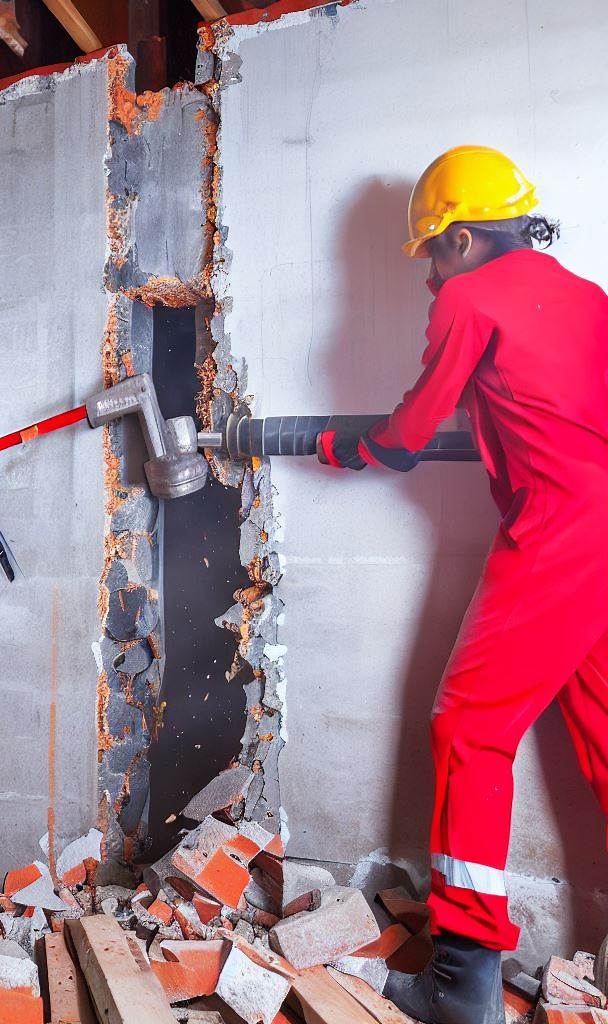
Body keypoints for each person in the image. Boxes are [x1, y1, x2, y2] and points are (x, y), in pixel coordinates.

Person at [318, 146, 608, 1024]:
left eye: (433, 254)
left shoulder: (469, 300)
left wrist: (344, 447)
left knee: (469, 729)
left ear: (467, 238)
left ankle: (464, 981)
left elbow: (409, 431)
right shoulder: (592, 297)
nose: (429, 276)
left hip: (559, 530)